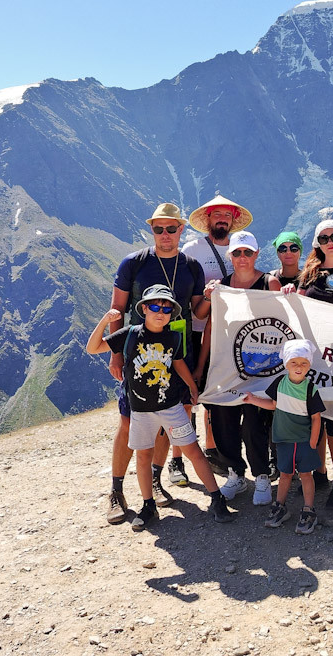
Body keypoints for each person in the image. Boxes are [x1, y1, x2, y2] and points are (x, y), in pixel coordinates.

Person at [87, 285, 232, 531]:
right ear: (144, 308)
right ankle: (148, 505)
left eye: (166, 308)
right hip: (141, 410)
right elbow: (93, 348)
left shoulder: (174, 336)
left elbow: (177, 362)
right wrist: (104, 320)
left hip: (171, 406)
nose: (160, 312)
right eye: (155, 306)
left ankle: (217, 499)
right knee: (143, 456)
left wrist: (192, 386)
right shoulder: (128, 334)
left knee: (193, 451)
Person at [105, 203, 206, 524]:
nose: (165, 235)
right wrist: (116, 353)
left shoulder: (191, 266)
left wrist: (216, 298)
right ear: (152, 230)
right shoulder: (133, 263)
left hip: (178, 353)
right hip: (139, 356)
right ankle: (117, 491)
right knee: (127, 422)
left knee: (167, 422)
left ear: (181, 230)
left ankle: (156, 481)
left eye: (171, 228)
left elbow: (198, 312)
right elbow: (117, 309)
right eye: (159, 229)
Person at [195, 230, 282, 505]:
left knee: (255, 422)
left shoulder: (271, 283)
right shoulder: (221, 287)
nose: (242, 258)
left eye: (247, 252)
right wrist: (201, 368)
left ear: (256, 254)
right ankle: (235, 472)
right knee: (222, 420)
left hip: (261, 369)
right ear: (230, 256)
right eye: (237, 253)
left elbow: (286, 324)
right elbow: (207, 323)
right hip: (225, 368)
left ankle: (262, 476)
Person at [289, 218, 333, 510]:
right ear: (317, 243)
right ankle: (320, 473)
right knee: (313, 419)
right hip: (312, 360)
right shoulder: (308, 274)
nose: (330, 241)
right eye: (324, 237)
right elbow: (298, 306)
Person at [182, 194, 253, 469]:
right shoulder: (193, 249)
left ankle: (213, 450)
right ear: (208, 219)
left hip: (231, 333)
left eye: (227, 215)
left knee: (219, 390)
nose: (222, 219)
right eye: (217, 214)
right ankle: (181, 455)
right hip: (198, 328)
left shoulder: (239, 247)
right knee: (191, 393)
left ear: (233, 220)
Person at [242, 339, 325, 535]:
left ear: (309, 365)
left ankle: (308, 510)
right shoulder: (280, 383)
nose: (298, 367)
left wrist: (313, 441)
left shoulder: (310, 389)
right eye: (294, 362)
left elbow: (316, 418)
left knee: (306, 475)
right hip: (284, 440)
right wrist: (253, 400)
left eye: (303, 363)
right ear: (286, 363)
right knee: (285, 474)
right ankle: (279, 505)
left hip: (304, 441)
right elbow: (273, 404)